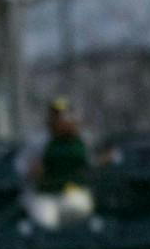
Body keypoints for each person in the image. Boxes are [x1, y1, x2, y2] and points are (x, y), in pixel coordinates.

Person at [23, 97, 96, 230]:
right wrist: (33, 170)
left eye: (64, 115)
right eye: (57, 116)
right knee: (46, 221)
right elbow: (24, 168)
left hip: (70, 190)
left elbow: (91, 162)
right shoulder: (39, 141)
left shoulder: (80, 139)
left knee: (80, 206)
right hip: (44, 194)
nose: (61, 119)